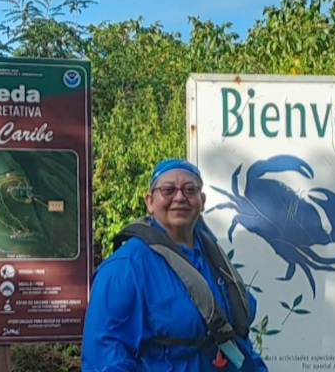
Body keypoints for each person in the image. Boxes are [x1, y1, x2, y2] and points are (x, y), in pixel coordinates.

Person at [82, 158, 269, 372]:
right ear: (149, 201)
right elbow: (104, 357)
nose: (179, 197)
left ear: (202, 200)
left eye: (190, 190)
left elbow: (235, 341)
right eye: (168, 190)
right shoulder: (125, 269)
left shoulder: (214, 259)